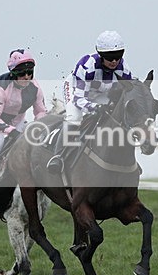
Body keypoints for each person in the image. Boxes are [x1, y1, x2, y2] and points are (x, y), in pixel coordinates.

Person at [46, 30, 133, 173]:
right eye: (109, 57)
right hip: (77, 90)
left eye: (118, 56)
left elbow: (127, 93)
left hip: (101, 92)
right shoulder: (87, 66)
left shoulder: (124, 69)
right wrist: (94, 108)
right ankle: (58, 156)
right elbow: (79, 98)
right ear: (100, 54)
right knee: (74, 118)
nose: (114, 61)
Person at [0, 48, 47, 194]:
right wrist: (11, 131)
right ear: (13, 72)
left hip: (17, 119)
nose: (27, 77)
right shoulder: (1, 86)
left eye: (30, 72)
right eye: (22, 73)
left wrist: (38, 127)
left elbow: (40, 111)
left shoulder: (35, 87)